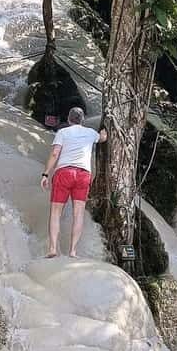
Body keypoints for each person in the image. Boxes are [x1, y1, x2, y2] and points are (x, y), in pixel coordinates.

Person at [40, 107, 107, 258]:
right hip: (83, 174)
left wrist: (45, 174)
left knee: (56, 213)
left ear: (69, 120)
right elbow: (102, 138)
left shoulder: (62, 133)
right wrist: (104, 131)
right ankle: (73, 251)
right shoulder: (91, 133)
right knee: (78, 214)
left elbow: (55, 153)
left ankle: (52, 249)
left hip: (64, 173)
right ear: (82, 120)